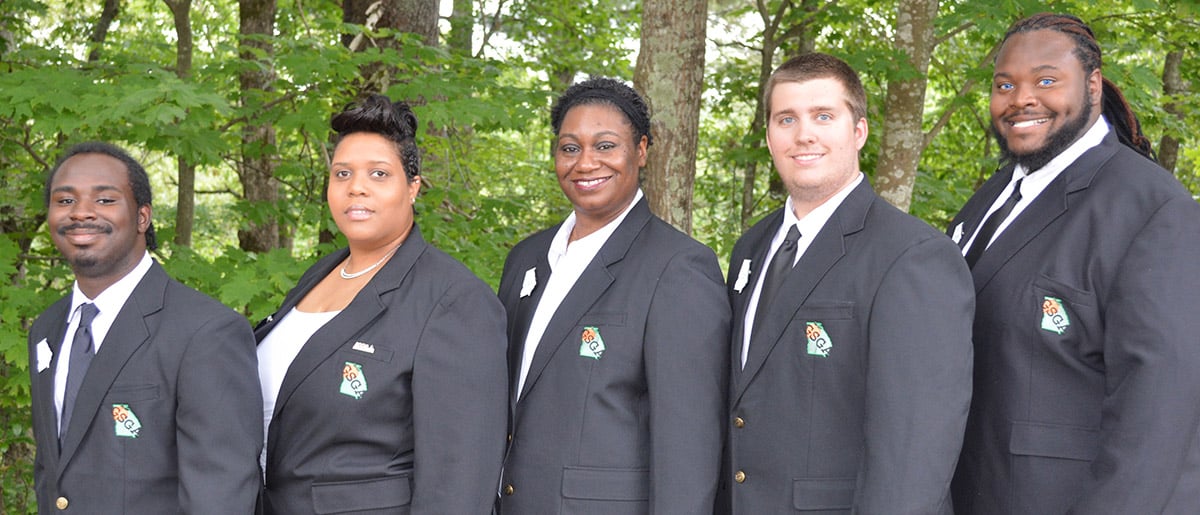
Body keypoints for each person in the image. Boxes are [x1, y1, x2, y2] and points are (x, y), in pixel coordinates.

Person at [949, 13, 1200, 514]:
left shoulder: (1151, 208)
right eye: (1005, 84)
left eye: (1046, 80)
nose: (1021, 98)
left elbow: (1161, 409)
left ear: (1092, 83)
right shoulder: (989, 200)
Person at [718, 53, 974, 514]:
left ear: (859, 131)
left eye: (823, 116)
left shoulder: (913, 256)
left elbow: (916, 450)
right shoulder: (751, 249)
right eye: (786, 119)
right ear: (771, 135)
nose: (804, 134)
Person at [255, 95, 507, 514]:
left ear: (412, 187)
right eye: (342, 173)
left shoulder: (455, 301)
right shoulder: (316, 276)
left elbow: (458, 484)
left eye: (378, 173)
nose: (357, 186)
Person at [496, 77, 729, 514]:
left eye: (605, 146)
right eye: (569, 148)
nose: (585, 163)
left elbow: (689, 445)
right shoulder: (526, 259)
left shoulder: (678, 268)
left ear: (640, 150)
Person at [27, 142, 262, 513]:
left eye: (105, 200)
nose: (81, 213)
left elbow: (220, 497)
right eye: (65, 201)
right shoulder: (47, 329)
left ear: (142, 217)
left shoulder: (206, 332)